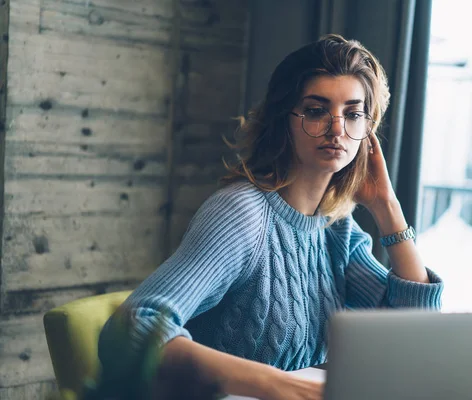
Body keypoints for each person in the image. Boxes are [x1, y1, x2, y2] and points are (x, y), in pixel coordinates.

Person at [97, 34, 443, 400]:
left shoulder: (335, 229)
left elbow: (415, 331)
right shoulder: (241, 214)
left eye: (354, 114)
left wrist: (387, 206)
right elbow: (131, 328)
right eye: (315, 110)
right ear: (283, 120)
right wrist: (285, 385)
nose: (337, 129)